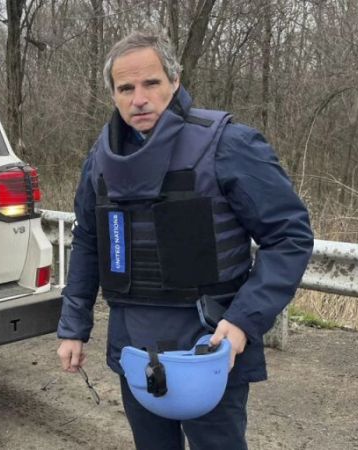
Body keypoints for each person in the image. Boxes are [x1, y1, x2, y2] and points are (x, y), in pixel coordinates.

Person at [56, 28, 314, 450]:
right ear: (113, 95)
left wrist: (245, 321)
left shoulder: (228, 144)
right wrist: (73, 327)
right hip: (134, 347)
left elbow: (290, 236)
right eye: (125, 88)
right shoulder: (99, 161)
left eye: (151, 83)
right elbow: (88, 241)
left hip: (209, 343)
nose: (138, 98)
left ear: (174, 82)